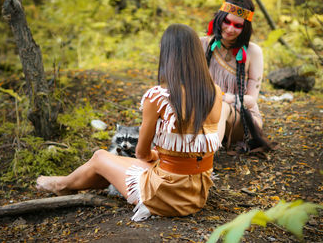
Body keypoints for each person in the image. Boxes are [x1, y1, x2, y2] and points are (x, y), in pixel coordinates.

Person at [36, 24, 222, 221]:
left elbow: (141, 153)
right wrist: (164, 156)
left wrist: (153, 155)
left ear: (167, 54)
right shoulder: (215, 93)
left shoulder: (159, 96)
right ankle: (65, 184)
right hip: (196, 194)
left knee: (100, 157)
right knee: (113, 162)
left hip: (165, 195)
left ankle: (61, 185)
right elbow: (195, 145)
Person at [200, 0, 271, 152]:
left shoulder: (253, 52)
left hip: (241, 118)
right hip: (204, 110)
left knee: (222, 107)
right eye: (227, 22)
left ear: (245, 28)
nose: (230, 29)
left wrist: (222, 97)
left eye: (238, 26)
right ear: (219, 19)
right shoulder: (202, 44)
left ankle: (206, 157)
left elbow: (251, 100)